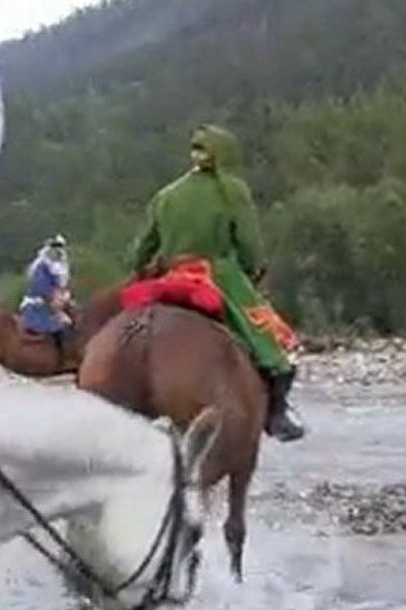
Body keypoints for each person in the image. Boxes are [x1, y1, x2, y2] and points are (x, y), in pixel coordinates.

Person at [128, 123, 306, 442]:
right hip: (218, 276)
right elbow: (249, 242)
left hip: (171, 276)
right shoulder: (232, 190)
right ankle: (277, 414)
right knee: (278, 348)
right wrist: (250, 271)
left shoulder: (165, 196)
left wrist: (145, 272)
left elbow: (142, 249)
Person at [18, 234, 74, 351]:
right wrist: (58, 310)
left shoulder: (59, 268)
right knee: (63, 325)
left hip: (57, 303)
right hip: (39, 306)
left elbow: (63, 288)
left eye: (59, 247)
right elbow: (43, 290)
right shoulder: (41, 267)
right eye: (54, 247)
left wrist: (66, 299)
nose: (57, 250)